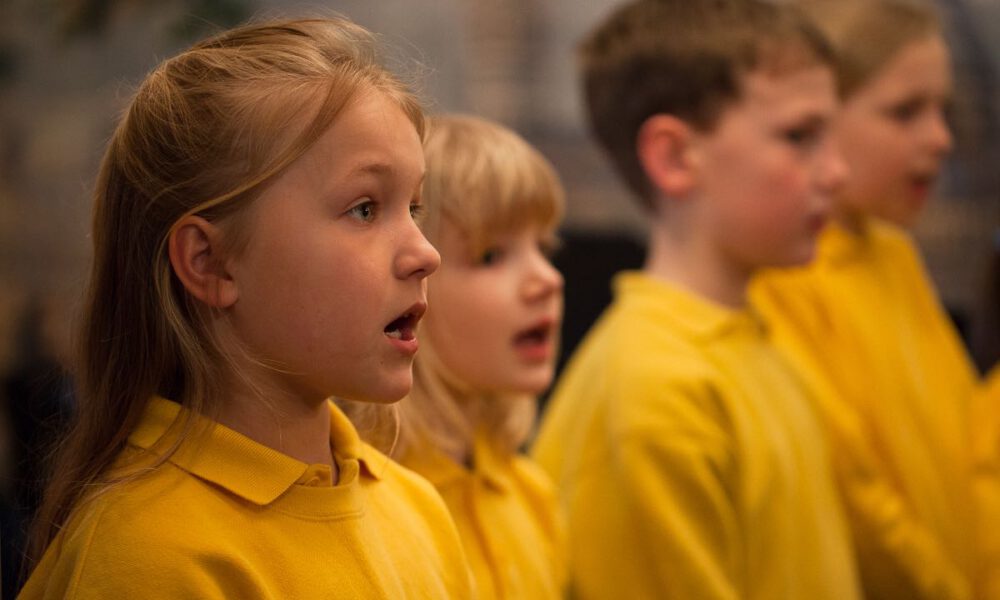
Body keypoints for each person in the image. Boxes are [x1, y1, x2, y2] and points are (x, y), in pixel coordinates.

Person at [18, 18, 475, 598]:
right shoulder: (151, 556)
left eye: (413, 207)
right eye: (365, 209)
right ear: (210, 262)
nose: (426, 253)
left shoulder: (418, 511)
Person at [531, 1, 859, 598]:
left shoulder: (749, 335)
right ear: (676, 156)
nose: (837, 171)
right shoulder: (654, 391)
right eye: (800, 136)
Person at [750, 1, 985, 597]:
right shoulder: (782, 276)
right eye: (905, 112)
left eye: (944, 110)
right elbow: (858, 498)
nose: (941, 138)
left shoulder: (893, 253)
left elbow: (968, 442)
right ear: (820, 119)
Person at [346, 114, 566, 599]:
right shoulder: (361, 505)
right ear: (414, 279)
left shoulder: (531, 494)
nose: (548, 279)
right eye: (491, 256)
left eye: (545, 247)